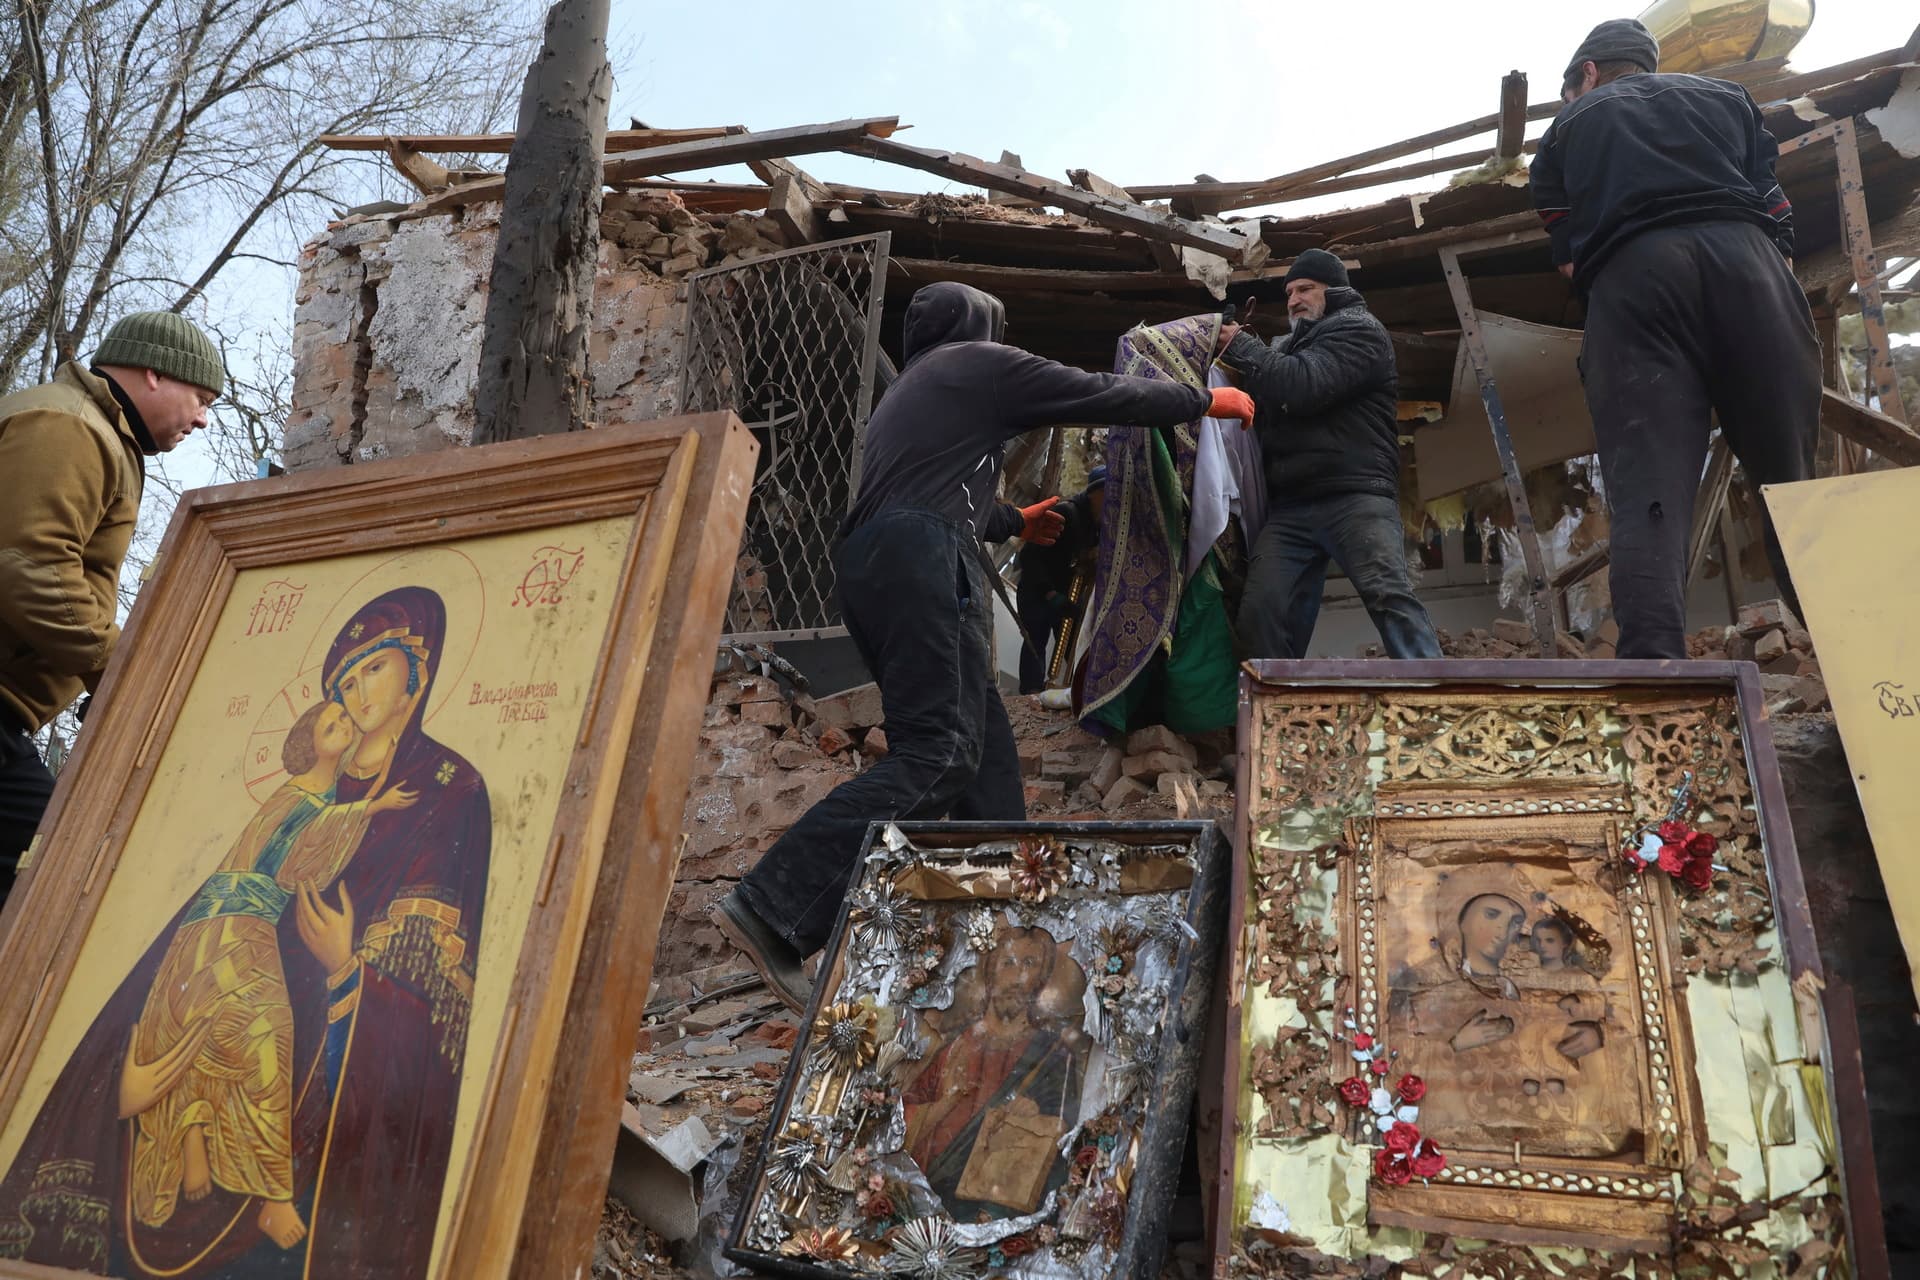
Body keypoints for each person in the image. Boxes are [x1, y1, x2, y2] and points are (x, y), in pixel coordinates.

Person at [711, 282, 1254, 1011]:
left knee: (985, 767)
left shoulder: (912, 392)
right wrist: (1202, 402)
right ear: (980, 323)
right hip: (923, 559)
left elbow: (925, 492)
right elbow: (1092, 391)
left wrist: (1009, 522)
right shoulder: (977, 361)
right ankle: (771, 908)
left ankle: (995, 946)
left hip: (881, 565)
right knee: (938, 752)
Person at [0, 587, 492, 1276]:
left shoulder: (447, 788)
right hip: (240, 947)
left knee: (261, 1040)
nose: (356, 694)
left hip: (335, 1034)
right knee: (180, 1024)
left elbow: (444, 999)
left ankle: (258, 1182)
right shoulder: (308, 790)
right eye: (344, 683)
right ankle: (187, 1137)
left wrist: (350, 968)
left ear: (418, 669)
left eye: (373, 670)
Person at [1531, 18, 1818, 659]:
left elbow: (1569, 256)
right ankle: (1868, 674)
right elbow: (1777, 209)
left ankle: (1657, 675)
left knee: (1648, 492)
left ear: (1589, 73)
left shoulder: (1567, 128)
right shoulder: (1727, 99)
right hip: (1750, 264)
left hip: (1637, 276)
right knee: (1795, 486)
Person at [129, 700, 415, 1247]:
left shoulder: (320, 795)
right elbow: (291, 853)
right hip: (231, 927)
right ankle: (272, 1196)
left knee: (216, 1031)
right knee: (266, 1034)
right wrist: (373, 807)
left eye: (347, 722)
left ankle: (195, 1128)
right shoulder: (301, 793)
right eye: (329, 722)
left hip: (240, 924)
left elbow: (305, 862)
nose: (344, 724)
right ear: (307, 738)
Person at [0, 312, 222, 906]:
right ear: (153, 373)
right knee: (46, 882)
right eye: (200, 397)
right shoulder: (66, 424)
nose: (202, 418)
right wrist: (121, 669)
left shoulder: (96, 432)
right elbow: (28, 565)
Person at [1214, 250, 1441, 660]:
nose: (1294, 299)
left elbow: (1305, 385)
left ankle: (1434, 702)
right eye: (1288, 293)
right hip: (1292, 506)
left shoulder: (1359, 329)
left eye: (1305, 289)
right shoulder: (1288, 347)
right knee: (1261, 611)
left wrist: (1243, 347)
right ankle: (1279, 712)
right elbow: (1267, 398)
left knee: (1388, 598)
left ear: (1334, 291)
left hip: (1353, 495)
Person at [901, 926, 1086, 1219]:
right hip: (929, 1199)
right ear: (990, 973)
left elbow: (1065, 1139)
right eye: (1008, 963)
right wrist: (946, 1103)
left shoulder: (1052, 1055)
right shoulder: (954, 1047)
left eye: (1030, 964)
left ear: (1041, 979)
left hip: (994, 1206)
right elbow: (903, 1120)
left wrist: (1035, 1116)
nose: (1018, 977)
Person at [1015, 468, 1104, 693]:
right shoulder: (1065, 512)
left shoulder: (1096, 527)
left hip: (1064, 595)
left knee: (1072, 643)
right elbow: (1030, 556)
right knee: (1036, 640)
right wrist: (1049, 593)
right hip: (1038, 591)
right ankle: (1031, 695)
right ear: (1096, 493)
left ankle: (1076, 691)